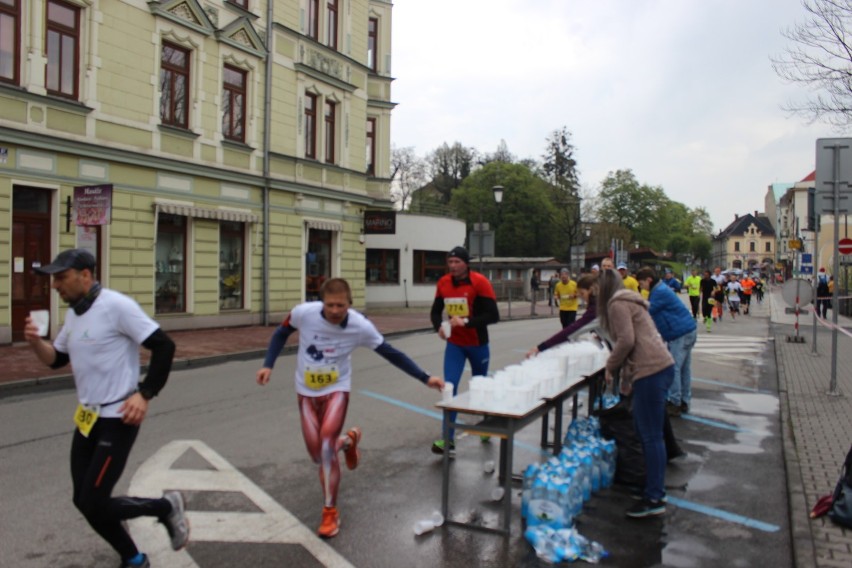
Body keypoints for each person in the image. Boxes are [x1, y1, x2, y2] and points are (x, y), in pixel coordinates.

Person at [24, 249, 186, 568]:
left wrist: (145, 394)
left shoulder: (116, 306)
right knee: (82, 500)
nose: (55, 285)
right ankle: (134, 557)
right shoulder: (73, 314)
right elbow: (57, 359)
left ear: (85, 276)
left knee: (93, 501)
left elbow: (164, 346)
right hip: (87, 418)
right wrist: (34, 343)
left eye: (61, 278)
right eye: (53, 279)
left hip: (118, 417)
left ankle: (164, 507)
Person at [257, 278, 444, 538]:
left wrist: (425, 377)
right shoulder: (304, 313)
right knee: (316, 455)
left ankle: (330, 512)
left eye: (341, 306)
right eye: (330, 305)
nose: (335, 311)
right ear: (321, 302)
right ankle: (347, 442)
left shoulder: (359, 326)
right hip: (306, 391)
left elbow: (391, 353)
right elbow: (281, 332)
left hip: (336, 390)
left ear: (350, 304)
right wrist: (268, 364)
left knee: (324, 449)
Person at [597, 269, 675, 518]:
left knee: (650, 436)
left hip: (651, 371)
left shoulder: (617, 304)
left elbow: (627, 341)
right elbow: (637, 342)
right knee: (647, 433)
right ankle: (654, 489)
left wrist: (611, 366)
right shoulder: (631, 300)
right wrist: (628, 378)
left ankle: (654, 496)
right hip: (657, 367)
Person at [429, 246, 500, 454]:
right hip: (455, 345)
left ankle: (486, 427)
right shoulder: (444, 283)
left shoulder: (480, 282)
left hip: (478, 344)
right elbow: (435, 312)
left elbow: (493, 316)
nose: (452, 266)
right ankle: (447, 439)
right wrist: (439, 328)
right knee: (448, 387)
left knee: (480, 388)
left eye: (456, 262)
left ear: (465, 263)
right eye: (450, 262)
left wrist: (466, 322)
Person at [636, 266, 697, 416]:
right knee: (684, 369)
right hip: (686, 330)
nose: (641, 287)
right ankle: (684, 400)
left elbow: (647, 312)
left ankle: (675, 402)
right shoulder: (660, 289)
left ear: (649, 280)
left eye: (642, 283)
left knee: (674, 368)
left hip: (679, 333)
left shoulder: (659, 292)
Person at [526, 274, 598, 358]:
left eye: (582, 293)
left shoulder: (596, 308)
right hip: (563, 308)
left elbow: (573, 330)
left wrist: (541, 347)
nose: (582, 298)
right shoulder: (600, 304)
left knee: (570, 327)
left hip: (572, 308)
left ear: (591, 290)